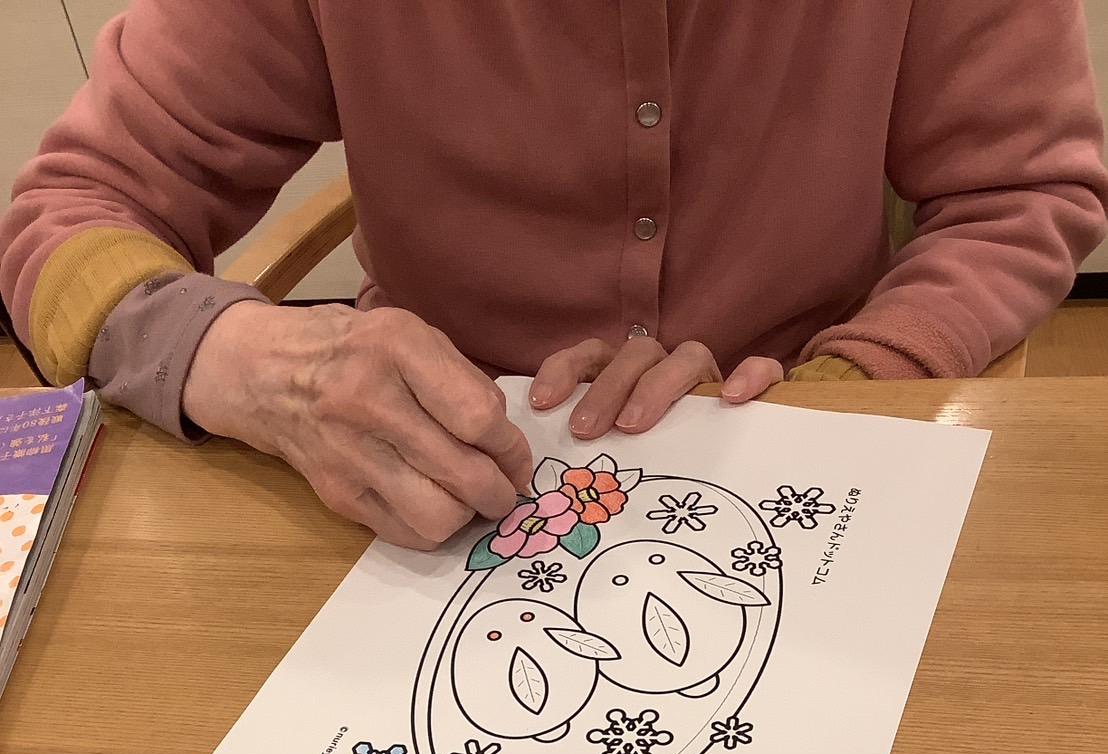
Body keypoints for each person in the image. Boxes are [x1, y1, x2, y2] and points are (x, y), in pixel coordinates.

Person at [1, 0, 1105, 550]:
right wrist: (264, 369)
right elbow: (68, 214)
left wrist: (860, 381)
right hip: (416, 490)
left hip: (811, 439)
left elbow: (1022, 189)